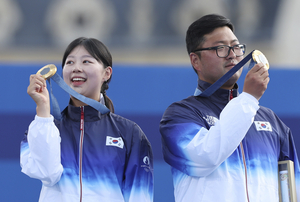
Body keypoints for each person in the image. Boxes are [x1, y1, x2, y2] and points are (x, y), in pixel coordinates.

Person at [159, 14, 300, 201]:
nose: (232, 54)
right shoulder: (180, 115)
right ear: (195, 61)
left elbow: (291, 188)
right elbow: (203, 159)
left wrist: (248, 101)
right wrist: (249, 98)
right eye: (221, 48)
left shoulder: (270, 121)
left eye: (236, 47)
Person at [21, 37, 153, 202]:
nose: (76, 68)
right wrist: (43, 108)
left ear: (107, 73)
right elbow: (46, 174)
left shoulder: (130, 133)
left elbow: (139, 196)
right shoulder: (45, 127)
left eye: (86, 61)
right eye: (69, 63)